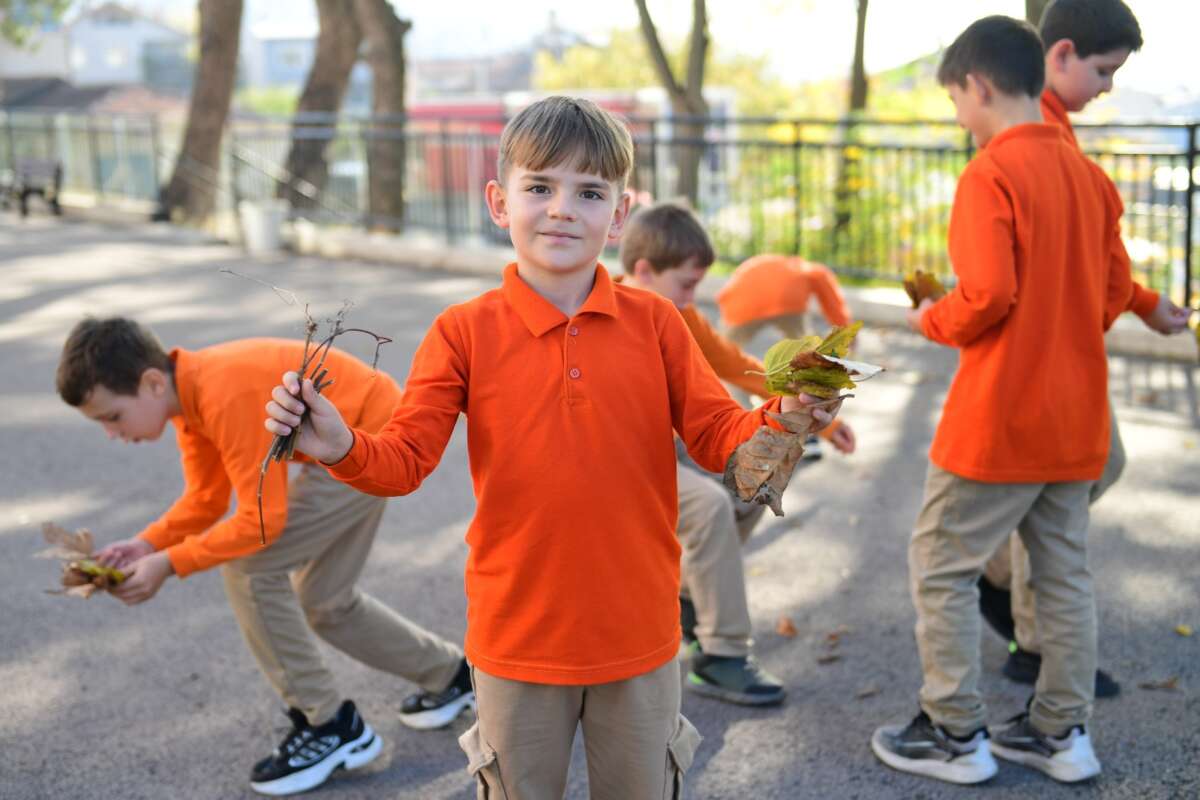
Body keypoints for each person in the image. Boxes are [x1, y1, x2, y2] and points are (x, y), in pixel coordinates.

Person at [264, 96, 839, 799]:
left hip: (641, 633)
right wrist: (339, 443)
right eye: (540, 187)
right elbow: (404, 462)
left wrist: (789, 414)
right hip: (516, 640)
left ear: (620, 213)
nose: (563, 208)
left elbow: (724, 439)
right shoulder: (462, 331)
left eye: (589, 192)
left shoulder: (658, 322)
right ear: (499, 202)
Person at [869, 16, 1134, 785]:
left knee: (941, 564)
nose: (959, 114)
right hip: (1077, 417)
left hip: (1000, 420)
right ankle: (1059, 732)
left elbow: (986, 295)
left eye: (956, 99)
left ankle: (954, 731)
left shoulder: (989, 173)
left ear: (978, 85)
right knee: (1063, 575)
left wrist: (934, 318)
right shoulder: (1091, 177)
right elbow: (1114, 289)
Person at [56, 320, 472, 796]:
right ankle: (453, 676)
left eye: (112, 416)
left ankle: (329, 726)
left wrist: (170, 565)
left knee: (251, 571)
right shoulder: (188, 400)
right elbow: (206, 500)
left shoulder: (222, 394)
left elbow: (260, 523)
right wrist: (147, 545)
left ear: (152, 382)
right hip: (358, 437)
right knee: (325, 600)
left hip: (367, 444)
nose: (112, 433)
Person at [978, 0, 1193, 696]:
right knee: (1064, 494)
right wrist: (1132, 300)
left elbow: (1097, 248)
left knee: (1088, 476)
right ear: (1061, 52)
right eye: (1103, 72)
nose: (1108, 88)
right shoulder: (1027, 125)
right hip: (1047, 352)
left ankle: (1003, 579)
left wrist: (1139, 300)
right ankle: (1036, 645)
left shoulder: (1054, 123)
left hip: (1070, 349)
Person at [618, 201, 857, 706]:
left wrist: (806, 405)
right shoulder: (609, 312)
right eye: (685, 283)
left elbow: (737, 365)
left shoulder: (678, 312)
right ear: (643, 271)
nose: (693, 296)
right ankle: (721, 655)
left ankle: (687, 599)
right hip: (616, 460)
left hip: (668, 451)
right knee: (706, 507)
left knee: (750, 484)